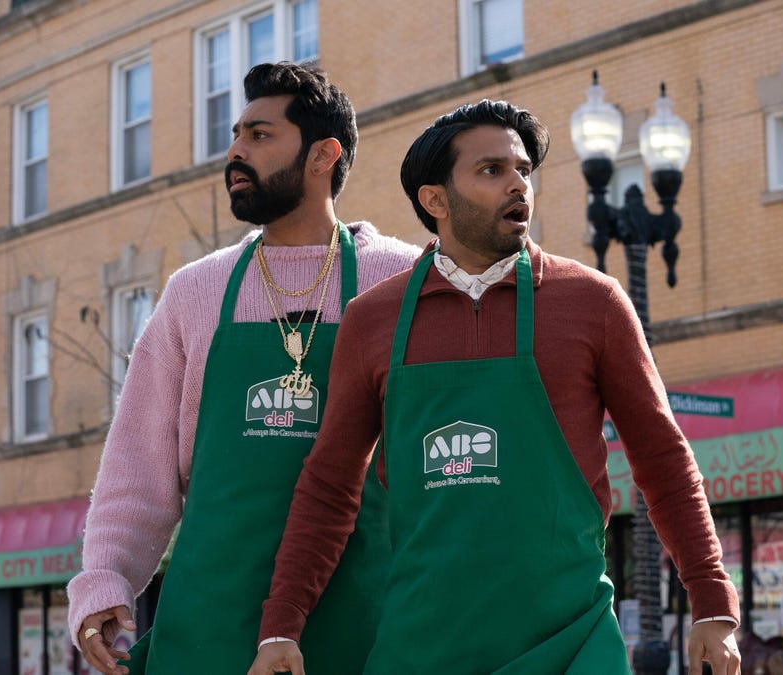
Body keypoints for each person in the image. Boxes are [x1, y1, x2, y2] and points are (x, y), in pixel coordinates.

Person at [248, 100, 742, 674]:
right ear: (435, 200)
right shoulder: (372, 320)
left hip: (572, 643)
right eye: (492, 170)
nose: (518, 185)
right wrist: (280, 625)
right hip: (423, 649)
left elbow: (662, 459)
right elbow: (330, 486)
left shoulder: (595, 303)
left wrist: (712, 603)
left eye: (524, 170)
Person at [67, 62, 419, 674]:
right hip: (211, 630)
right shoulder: (195, 292)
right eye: (236, 135)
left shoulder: (404, 282)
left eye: (259, 135)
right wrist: (104, 580)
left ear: (323, 155)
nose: (235, 151)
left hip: (368, 628)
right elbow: (139, 464)